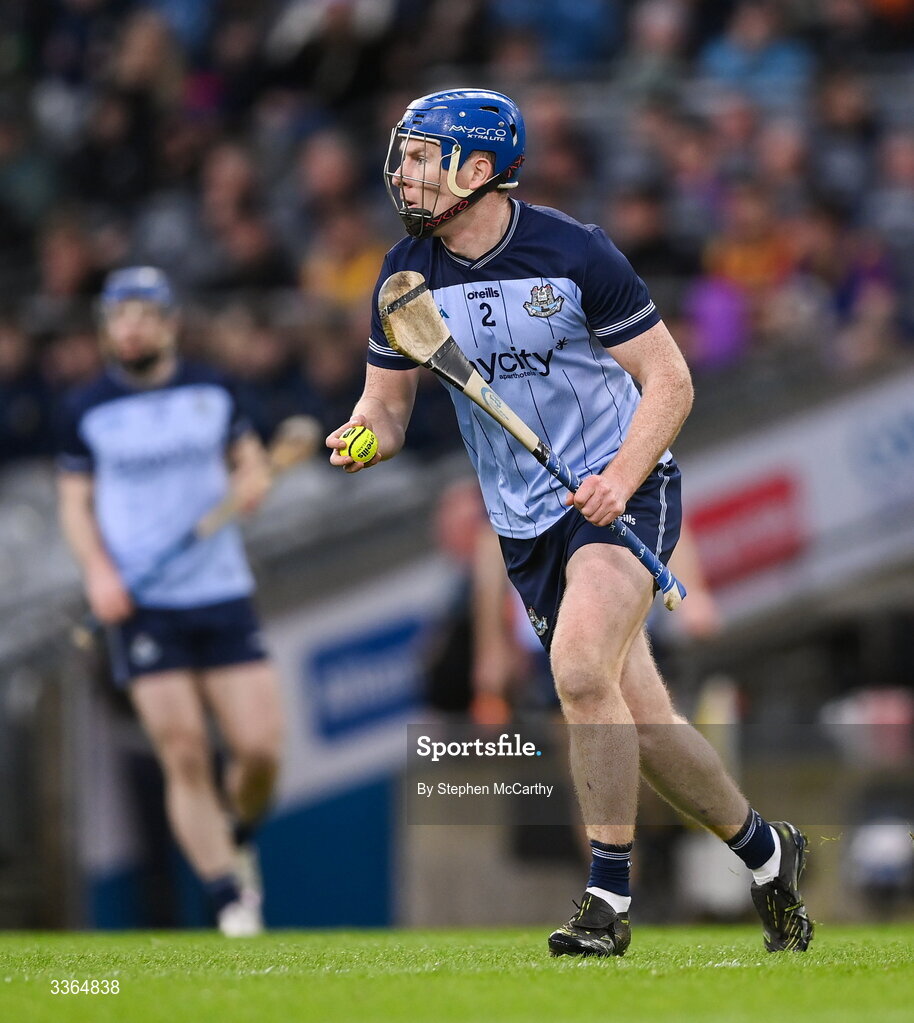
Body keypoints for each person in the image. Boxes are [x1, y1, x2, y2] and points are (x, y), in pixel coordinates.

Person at [327, 89, 813, 957]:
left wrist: (619, 479)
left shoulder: (573, 251)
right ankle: (767, 851)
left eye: (422, 156)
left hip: (626, 487)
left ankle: (606, 899)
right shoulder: (406, 274)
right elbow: (386, 408)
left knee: (580, 668)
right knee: (643, 720)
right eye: (404, 154)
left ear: (479, 170)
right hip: (524, 524)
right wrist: (364, 436)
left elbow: (671, 381)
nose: (403, 172)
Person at [57, 266, 283, 937]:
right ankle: (228, 898)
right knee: (183, 751)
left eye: (141, 315)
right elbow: (74, 505)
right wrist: (100, 574)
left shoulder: (212, 389)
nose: (128, 329)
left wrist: (253, 481)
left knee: (260, 752)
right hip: (144, 604)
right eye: (117, 317)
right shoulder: (85, 408)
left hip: (221, 591)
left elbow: (251, 460)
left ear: (169, 324)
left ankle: (236, 834)